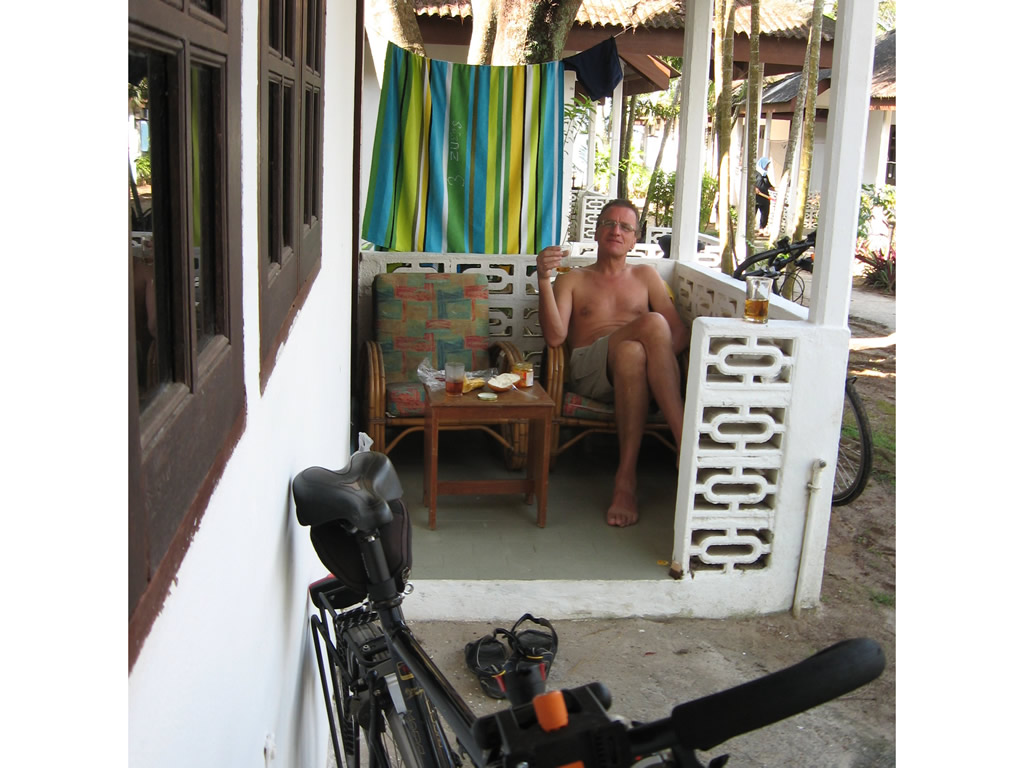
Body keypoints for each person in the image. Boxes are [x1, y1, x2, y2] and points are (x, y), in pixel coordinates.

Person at [536, 199, 690, 527]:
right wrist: (543, 280)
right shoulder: (573, 279)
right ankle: (686, 443)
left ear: (635, 240)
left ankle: (625, 482)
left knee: (632, 353)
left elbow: (680, 333)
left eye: (625, 227)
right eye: (608, 223)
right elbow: (555, 337)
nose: (616, 231)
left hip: (635, 373)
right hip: (589, 370)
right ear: (596, 232)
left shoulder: (646, 276)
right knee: (654, 323)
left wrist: (655, 365)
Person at [754, 157, 774, 231]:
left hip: (765, 197)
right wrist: (754, 188)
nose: (767, 167)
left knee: (765, 213)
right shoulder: (755, 173)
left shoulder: (765, 175)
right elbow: (750, 183)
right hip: (756, 198)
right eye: (766, 165)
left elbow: (768, 185)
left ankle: (762, 228)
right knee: (753, 213)